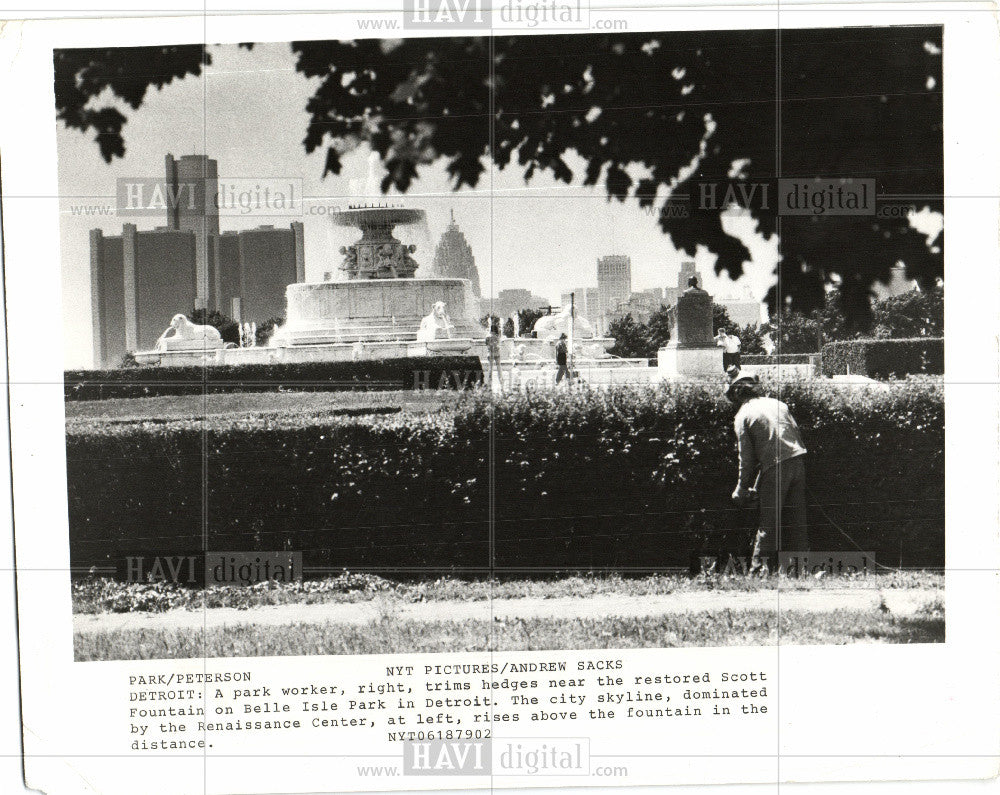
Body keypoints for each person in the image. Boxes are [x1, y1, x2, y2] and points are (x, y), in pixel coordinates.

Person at [726, 367, 809, 563]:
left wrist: (741, 488)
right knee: (797, 521)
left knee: (768, 523)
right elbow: (794, 432)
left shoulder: (743, 415)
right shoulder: (778, 404)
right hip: (797, 461)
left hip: (776, 467)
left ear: (736, 394)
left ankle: (758, 571)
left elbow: (746, 458)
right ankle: (800, 569)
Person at [485, 323, 502, 390]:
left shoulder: (488, 337)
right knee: (499, 369)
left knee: (490, 370)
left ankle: (489, 385)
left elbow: (487, 344)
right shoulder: (497, 336)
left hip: (490, 354)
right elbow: (498, 344)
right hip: (497, 353)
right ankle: (501, 383)